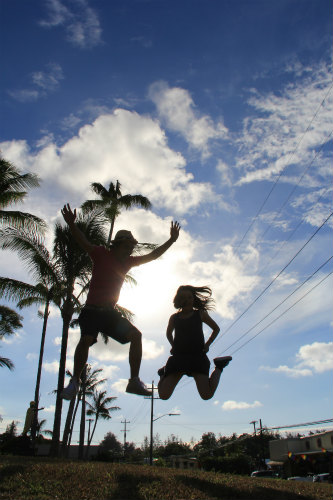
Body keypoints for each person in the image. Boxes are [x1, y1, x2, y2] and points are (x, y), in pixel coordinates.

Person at [60, 203, 180, 399]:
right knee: (86, 339)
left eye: (132, 246)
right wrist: (72, 225)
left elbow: (153, 255)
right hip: (91, 310)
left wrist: (171, 241)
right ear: (118, 245)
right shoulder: (100, 254)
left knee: (136, 336)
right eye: (128, 246)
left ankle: (134, 381)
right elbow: (82, 241)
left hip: (109, 313)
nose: (131, 249)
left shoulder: (128, 262)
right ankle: (75, 382)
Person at [158, 285, 232, 400]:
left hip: (197, 357)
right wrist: (174, 346)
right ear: (178, 300)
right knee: (163, 395)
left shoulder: (200, 314)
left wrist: (207, 345)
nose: (187, 300)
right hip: (179, 358)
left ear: (193, 299)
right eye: (183, 297)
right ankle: (163, 374)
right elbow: (168, 334)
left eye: (189, 297)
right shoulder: (174, 317)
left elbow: (216, 329)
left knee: (206, 395)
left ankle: (219, 367)